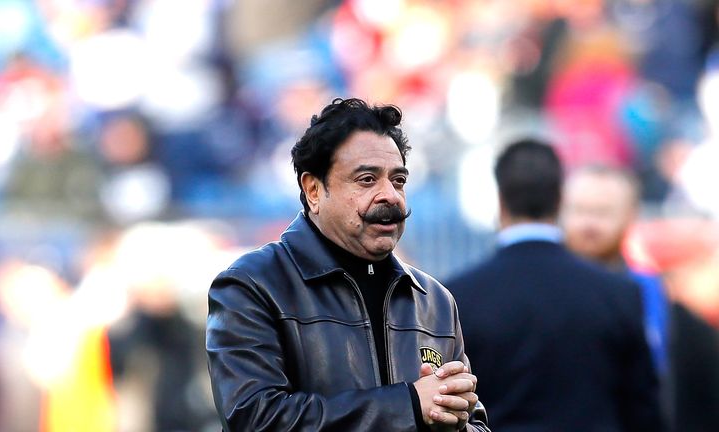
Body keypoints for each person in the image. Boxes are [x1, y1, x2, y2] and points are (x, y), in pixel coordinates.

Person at [206, 98, 489, 431]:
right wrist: (409, 405)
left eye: (398, 181)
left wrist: (450, 422)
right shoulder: (251, 285)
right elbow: (256, 419)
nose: (391, 195)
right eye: (367, 180)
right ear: (313, 190)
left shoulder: (434, 301)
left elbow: (475, 423)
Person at [445, 139, 662, 431]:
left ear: (500, 200)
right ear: (559, 199)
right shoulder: (619, 293)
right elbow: (643, 411)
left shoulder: (457, 297)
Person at [562, 164, 719, 431]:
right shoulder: (542, 291)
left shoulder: (660, 304)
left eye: (602, 212)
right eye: (579, 210)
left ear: (630, 216)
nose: (589, 224)